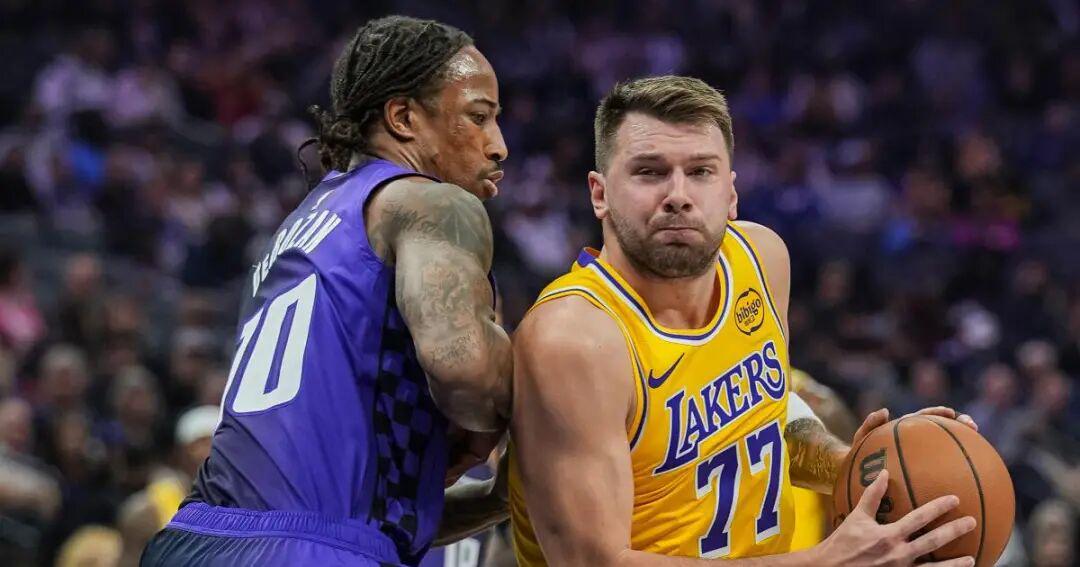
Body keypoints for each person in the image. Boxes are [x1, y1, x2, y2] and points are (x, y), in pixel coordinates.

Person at [506, 76, 979, 566]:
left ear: (731, 193)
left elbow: (763, 418)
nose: (678, 194)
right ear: (599, 193)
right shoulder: (574, 339)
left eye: (700, 171)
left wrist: (849, 466)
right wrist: (823, 562)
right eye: (649, 172)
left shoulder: (760, 258)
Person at [141, 15, 511, 566]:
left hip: (193, 539)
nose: (498, 146)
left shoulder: (298, 230)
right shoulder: (429, 202)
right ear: (404, 118)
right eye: (478, 117)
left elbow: (359, 519)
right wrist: (552, 379)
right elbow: (464, 369)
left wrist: (497, 498)